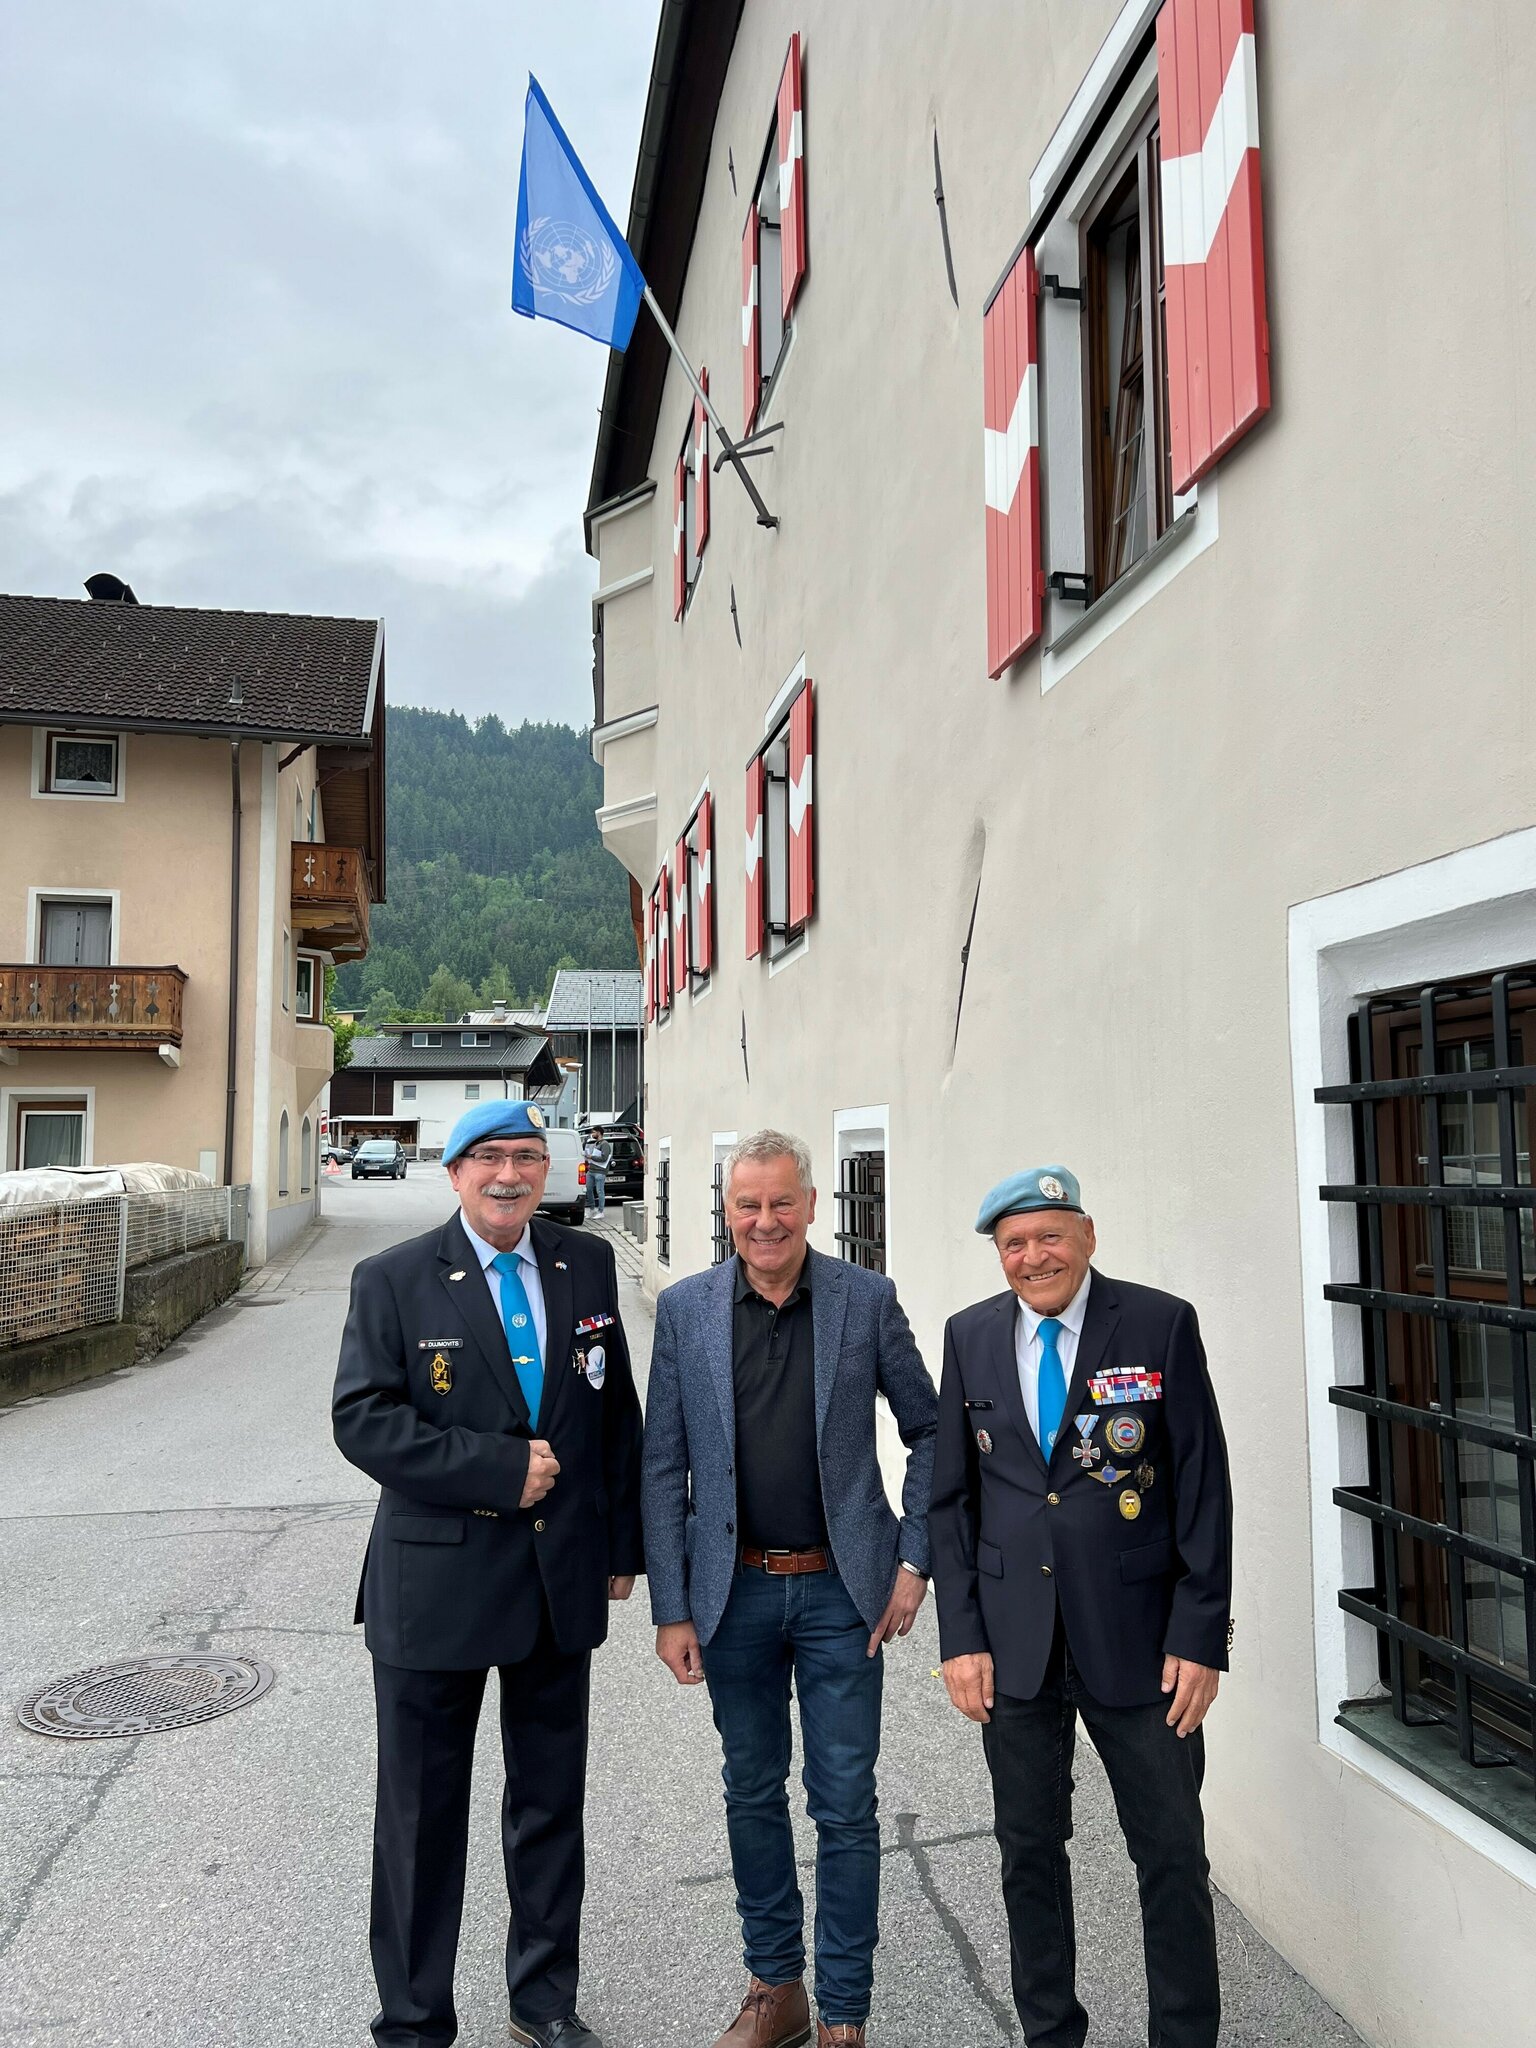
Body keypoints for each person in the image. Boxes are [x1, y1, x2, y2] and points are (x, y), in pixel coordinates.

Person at [332, 1099, 643, 2048]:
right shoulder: (392, 1278)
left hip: (558, 1580)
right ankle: (416, 2019)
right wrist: (497, 1468)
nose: (511, 1175)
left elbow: (611, 1407)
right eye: (490, 1159)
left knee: (550, 1805)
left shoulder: (584, 1262)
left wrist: (622, 1546)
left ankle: (543, 2001)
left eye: (528, 1158)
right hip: (436, 1591)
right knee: (422, 1819)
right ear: (456, 1171)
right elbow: (363, 1420)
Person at [642, 1130, 939, 2048]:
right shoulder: (688, 1311)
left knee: (845, 1801)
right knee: (750, 1788)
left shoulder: (866, 1300)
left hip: (843, 1594)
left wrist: (914, 1560)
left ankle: (845, 2009)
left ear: (813, 1205)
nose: (764, 1222)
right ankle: (778, 1988)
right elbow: (662, 1466)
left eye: (780, 1203)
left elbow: (932, 1432)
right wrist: (671, 1606)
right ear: (726, 1213)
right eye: (746, 1206)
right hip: (730, 1596)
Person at [928, 1165, 1233, 2048]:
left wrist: (1199, 1632)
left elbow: (1203, 1486)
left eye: (1049, 1236)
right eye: (1013, 1244)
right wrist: (962, 1638)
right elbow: (953, 1501)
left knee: (1172, 1856)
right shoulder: (971, 1335)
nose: (1033, 1257)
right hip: (1014, 1645)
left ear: (1089, 1235)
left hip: (1141, 1644)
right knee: (1028, 1852)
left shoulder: (1158, 1323)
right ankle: (1050, 2031)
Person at [582, 1127, 612, 1214]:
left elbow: (604, 1158)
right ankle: (592, 1209)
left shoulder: (605, 1144)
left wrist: (592, 1157)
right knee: (588, 1189)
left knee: (600, 1191)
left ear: (599, 1133)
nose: (592, 1134)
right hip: (591, 1170)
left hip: (600, 1171)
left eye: (594, 1132)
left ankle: (600, 1211)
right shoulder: (596, 1143)